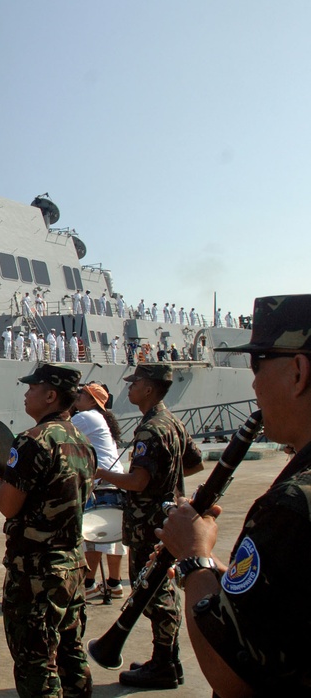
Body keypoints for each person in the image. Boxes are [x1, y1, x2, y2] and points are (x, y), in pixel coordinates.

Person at [158, 294, 311, 696]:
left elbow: (235, 676)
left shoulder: (292, 506)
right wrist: (230, 578)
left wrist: (194, 559)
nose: (254, 384)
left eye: (257, 366)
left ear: (298, 371)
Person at [0, 364, 95, 697]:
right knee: (71, 654)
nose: (25, 393)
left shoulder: (32, 441)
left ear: (50, 395)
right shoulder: (82, 441)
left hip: (36, 572)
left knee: (35, 663)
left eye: (32, 387)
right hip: (73, 565)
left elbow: (8, 504)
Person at [95, 363, 203, 689]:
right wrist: (170, 489)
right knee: (161, 590)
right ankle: (166, 660)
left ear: (149, 388)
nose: (129, 387)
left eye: (135, 382)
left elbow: (138, 481)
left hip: (147, 526)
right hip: (164, 519)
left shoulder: (150, 429)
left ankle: (164, 664)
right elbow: (194, 463)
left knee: (153, 593)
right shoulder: (173, 422)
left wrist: (101, 473)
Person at [71, 382, 125, 600]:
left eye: (81, 393)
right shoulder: (100, 418)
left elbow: (62, 428)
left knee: (93, 536)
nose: (77, 396)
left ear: (93, 400)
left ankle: (90, 583)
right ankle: (114, 583)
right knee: (113, 537)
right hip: (114, 481)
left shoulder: (85, 417)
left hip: (102, 482)